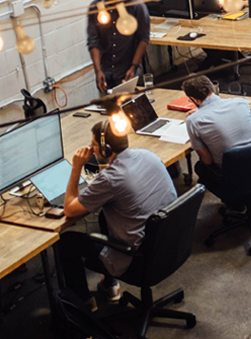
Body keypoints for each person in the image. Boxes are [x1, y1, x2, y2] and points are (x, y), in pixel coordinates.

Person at [59, 120, 177, 310]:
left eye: (93, 145)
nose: (91, 149)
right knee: (105, 216)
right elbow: (113, 182)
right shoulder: (148, 155)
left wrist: (76, 168)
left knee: (66, 242)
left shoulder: (111, 179)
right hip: (169, 245)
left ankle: (84, 302)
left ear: (105, 148)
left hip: (138, 259)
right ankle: (109, 285)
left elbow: (70, 210)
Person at [182, 75, 251, 195]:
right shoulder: (241, 103)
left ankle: (234, 199)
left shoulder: (193, 120)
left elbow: (207, 160)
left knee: (200, 167)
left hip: (234, 175)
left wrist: (200, 113)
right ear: (212, 88)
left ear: (194, 99)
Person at [87, 0, 150, 92]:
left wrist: (133, 66)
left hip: (127, 68)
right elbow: (93, 41)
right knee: (109, 102)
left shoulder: (137, 7)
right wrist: (98, 70)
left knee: (129, 100)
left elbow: (143, 39)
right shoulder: (96, 8)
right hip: (106, 69)